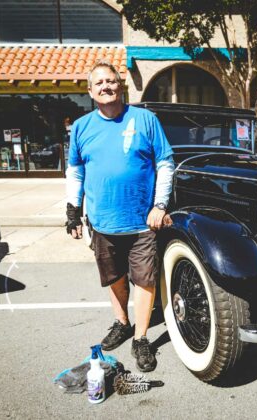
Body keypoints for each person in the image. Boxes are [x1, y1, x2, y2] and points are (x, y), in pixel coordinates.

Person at [65, 59, 174, 372]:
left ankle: (140, 338)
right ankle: (122, 322)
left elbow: (165, 162)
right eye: (99, 83)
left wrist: (160, 205)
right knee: (114, 277)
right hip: (102, 221)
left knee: (144, 280)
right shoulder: (82, 127)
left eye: (110, 81)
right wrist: (73, 209)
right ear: (90, 91)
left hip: (142, 221)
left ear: (120, 85)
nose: (105, 86)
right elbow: (75, 170)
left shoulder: (145, 119)